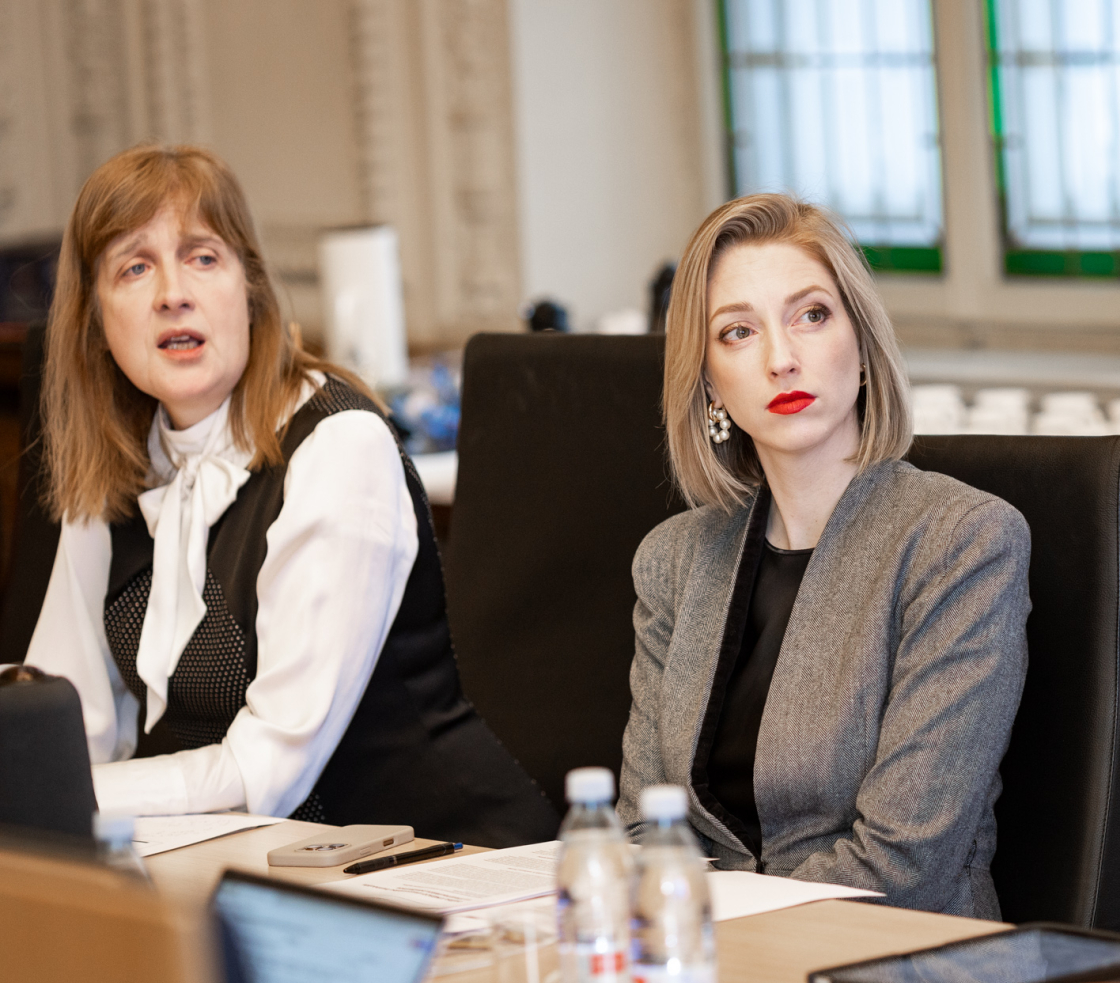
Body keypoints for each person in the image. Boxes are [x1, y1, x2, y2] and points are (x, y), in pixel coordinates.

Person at [23, 145, 557, 848]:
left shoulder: (338, 447)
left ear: (249, 289)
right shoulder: (114, 467)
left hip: (445, 863)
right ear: (94, 318)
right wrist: (35, 777)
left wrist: (62, 789)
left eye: (202, 257)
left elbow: (266, 771)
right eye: (134, 267)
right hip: (248, 862)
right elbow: (61, 721)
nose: (172, 293)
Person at [616, 193, 1031, 919]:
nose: (782, 359)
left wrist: (717, 927)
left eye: (811, 315)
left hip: (894, 956)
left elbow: (904, 864)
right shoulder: (674, 561)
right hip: (703, 957)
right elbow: (643, 830)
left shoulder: (960, 541)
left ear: (862, 345)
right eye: (738, 332)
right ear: (709, 382)